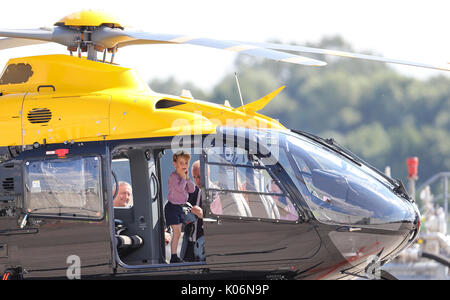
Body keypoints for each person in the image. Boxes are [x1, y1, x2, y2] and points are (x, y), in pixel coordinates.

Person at [165, 150, 195, 263]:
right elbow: (179, 189)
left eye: (186, 163)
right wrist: (183, 178)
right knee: (176, 232)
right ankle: (173, 257)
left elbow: (191, 189)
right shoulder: (173, 177)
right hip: (172, 207)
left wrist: (187, 178)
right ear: (175, 164)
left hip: (179, 208)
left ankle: (175, 256)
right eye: (181, 163)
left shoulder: (184, 176)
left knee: (178, 233)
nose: (184, 166)